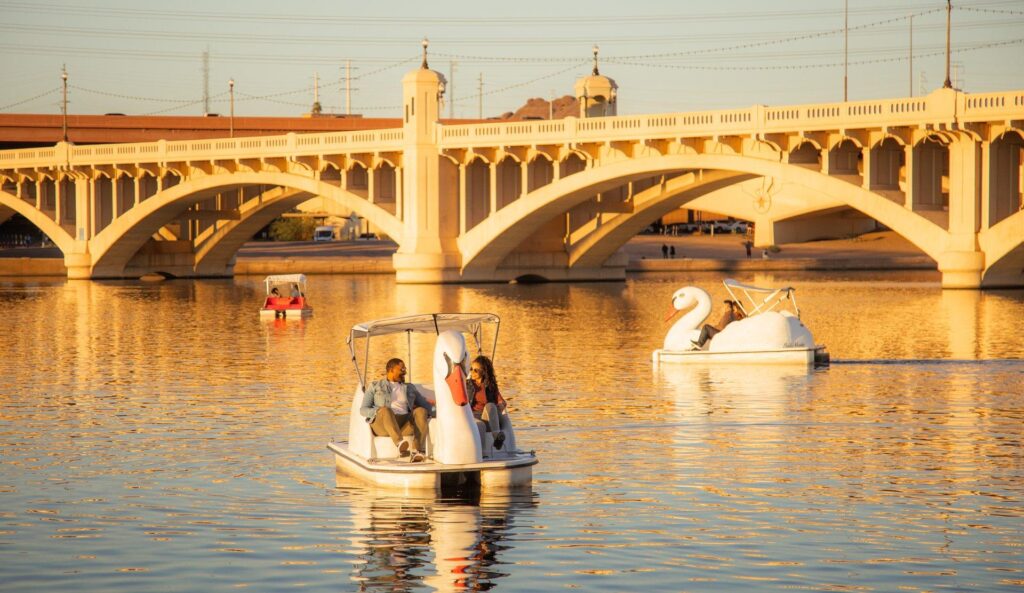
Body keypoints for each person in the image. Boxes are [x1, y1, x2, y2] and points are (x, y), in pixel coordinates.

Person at [360, 358, 433, 462]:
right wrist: (378, 412)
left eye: (405, 369)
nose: (405, 372)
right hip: (383, 425)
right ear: (391, 370)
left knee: (421, 410)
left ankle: (417, 451)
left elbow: (427, 406)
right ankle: (400, 445)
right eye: (401, 369)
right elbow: (363, 409)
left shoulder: (410, 388)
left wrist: (442, 412)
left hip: (403, 424)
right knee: (386, 410)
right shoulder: (375, 386)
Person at [467, 355, 510, 452]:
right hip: (473, 418)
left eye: (475, 370)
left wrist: (501, 404)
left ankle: (497, 437)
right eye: (471, 369)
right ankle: (484, 452)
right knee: (480, 425)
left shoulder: (490, 386)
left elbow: (501, 401)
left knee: (490, 405)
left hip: (490, 419)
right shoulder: (468, 385)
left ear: (483, 371)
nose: (472, 372)